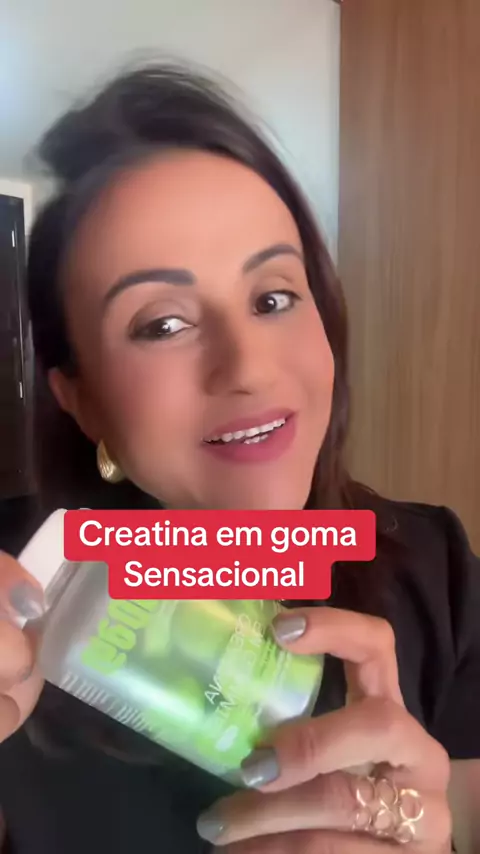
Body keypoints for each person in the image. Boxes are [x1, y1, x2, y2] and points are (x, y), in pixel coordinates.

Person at [0, 64, 478, 854]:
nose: (248, 367)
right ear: (79, 399)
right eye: (162, 324)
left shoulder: (439, 574)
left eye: (273, 298)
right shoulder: (18, 601)